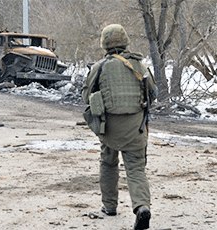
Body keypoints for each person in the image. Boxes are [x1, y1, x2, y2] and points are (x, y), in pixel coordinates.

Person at [82, 24, 158, 230]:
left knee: (108, 163)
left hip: (109, 128)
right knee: (135, 169)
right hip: (136, 128)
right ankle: (142, 207)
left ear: (104, 44)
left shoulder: (100, 67)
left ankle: (109, 206)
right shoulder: (140, 66)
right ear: (125, 41)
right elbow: (152, 93)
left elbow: (85, 96)